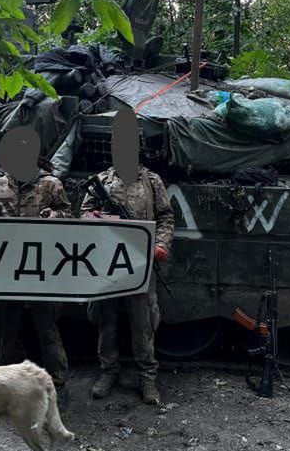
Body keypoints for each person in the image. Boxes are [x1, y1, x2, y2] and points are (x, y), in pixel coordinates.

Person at [81, 108, 175, 405]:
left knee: (142, 324)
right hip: (107, 264)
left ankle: (147, 378)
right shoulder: (101, 180)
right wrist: (99, 219)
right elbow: (83, 215)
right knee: (106, 322)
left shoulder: (151, 181)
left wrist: (161, 244)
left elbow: (165, 216)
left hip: (140, 263)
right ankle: (108, 371)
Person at [0, 126, 73, 401]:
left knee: (46, 328)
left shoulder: (50, 184)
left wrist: (55, 216)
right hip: (6, 268)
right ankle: (8, 382)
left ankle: (58, 383)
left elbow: (70, 216)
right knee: (7, 328)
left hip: (42, 268)